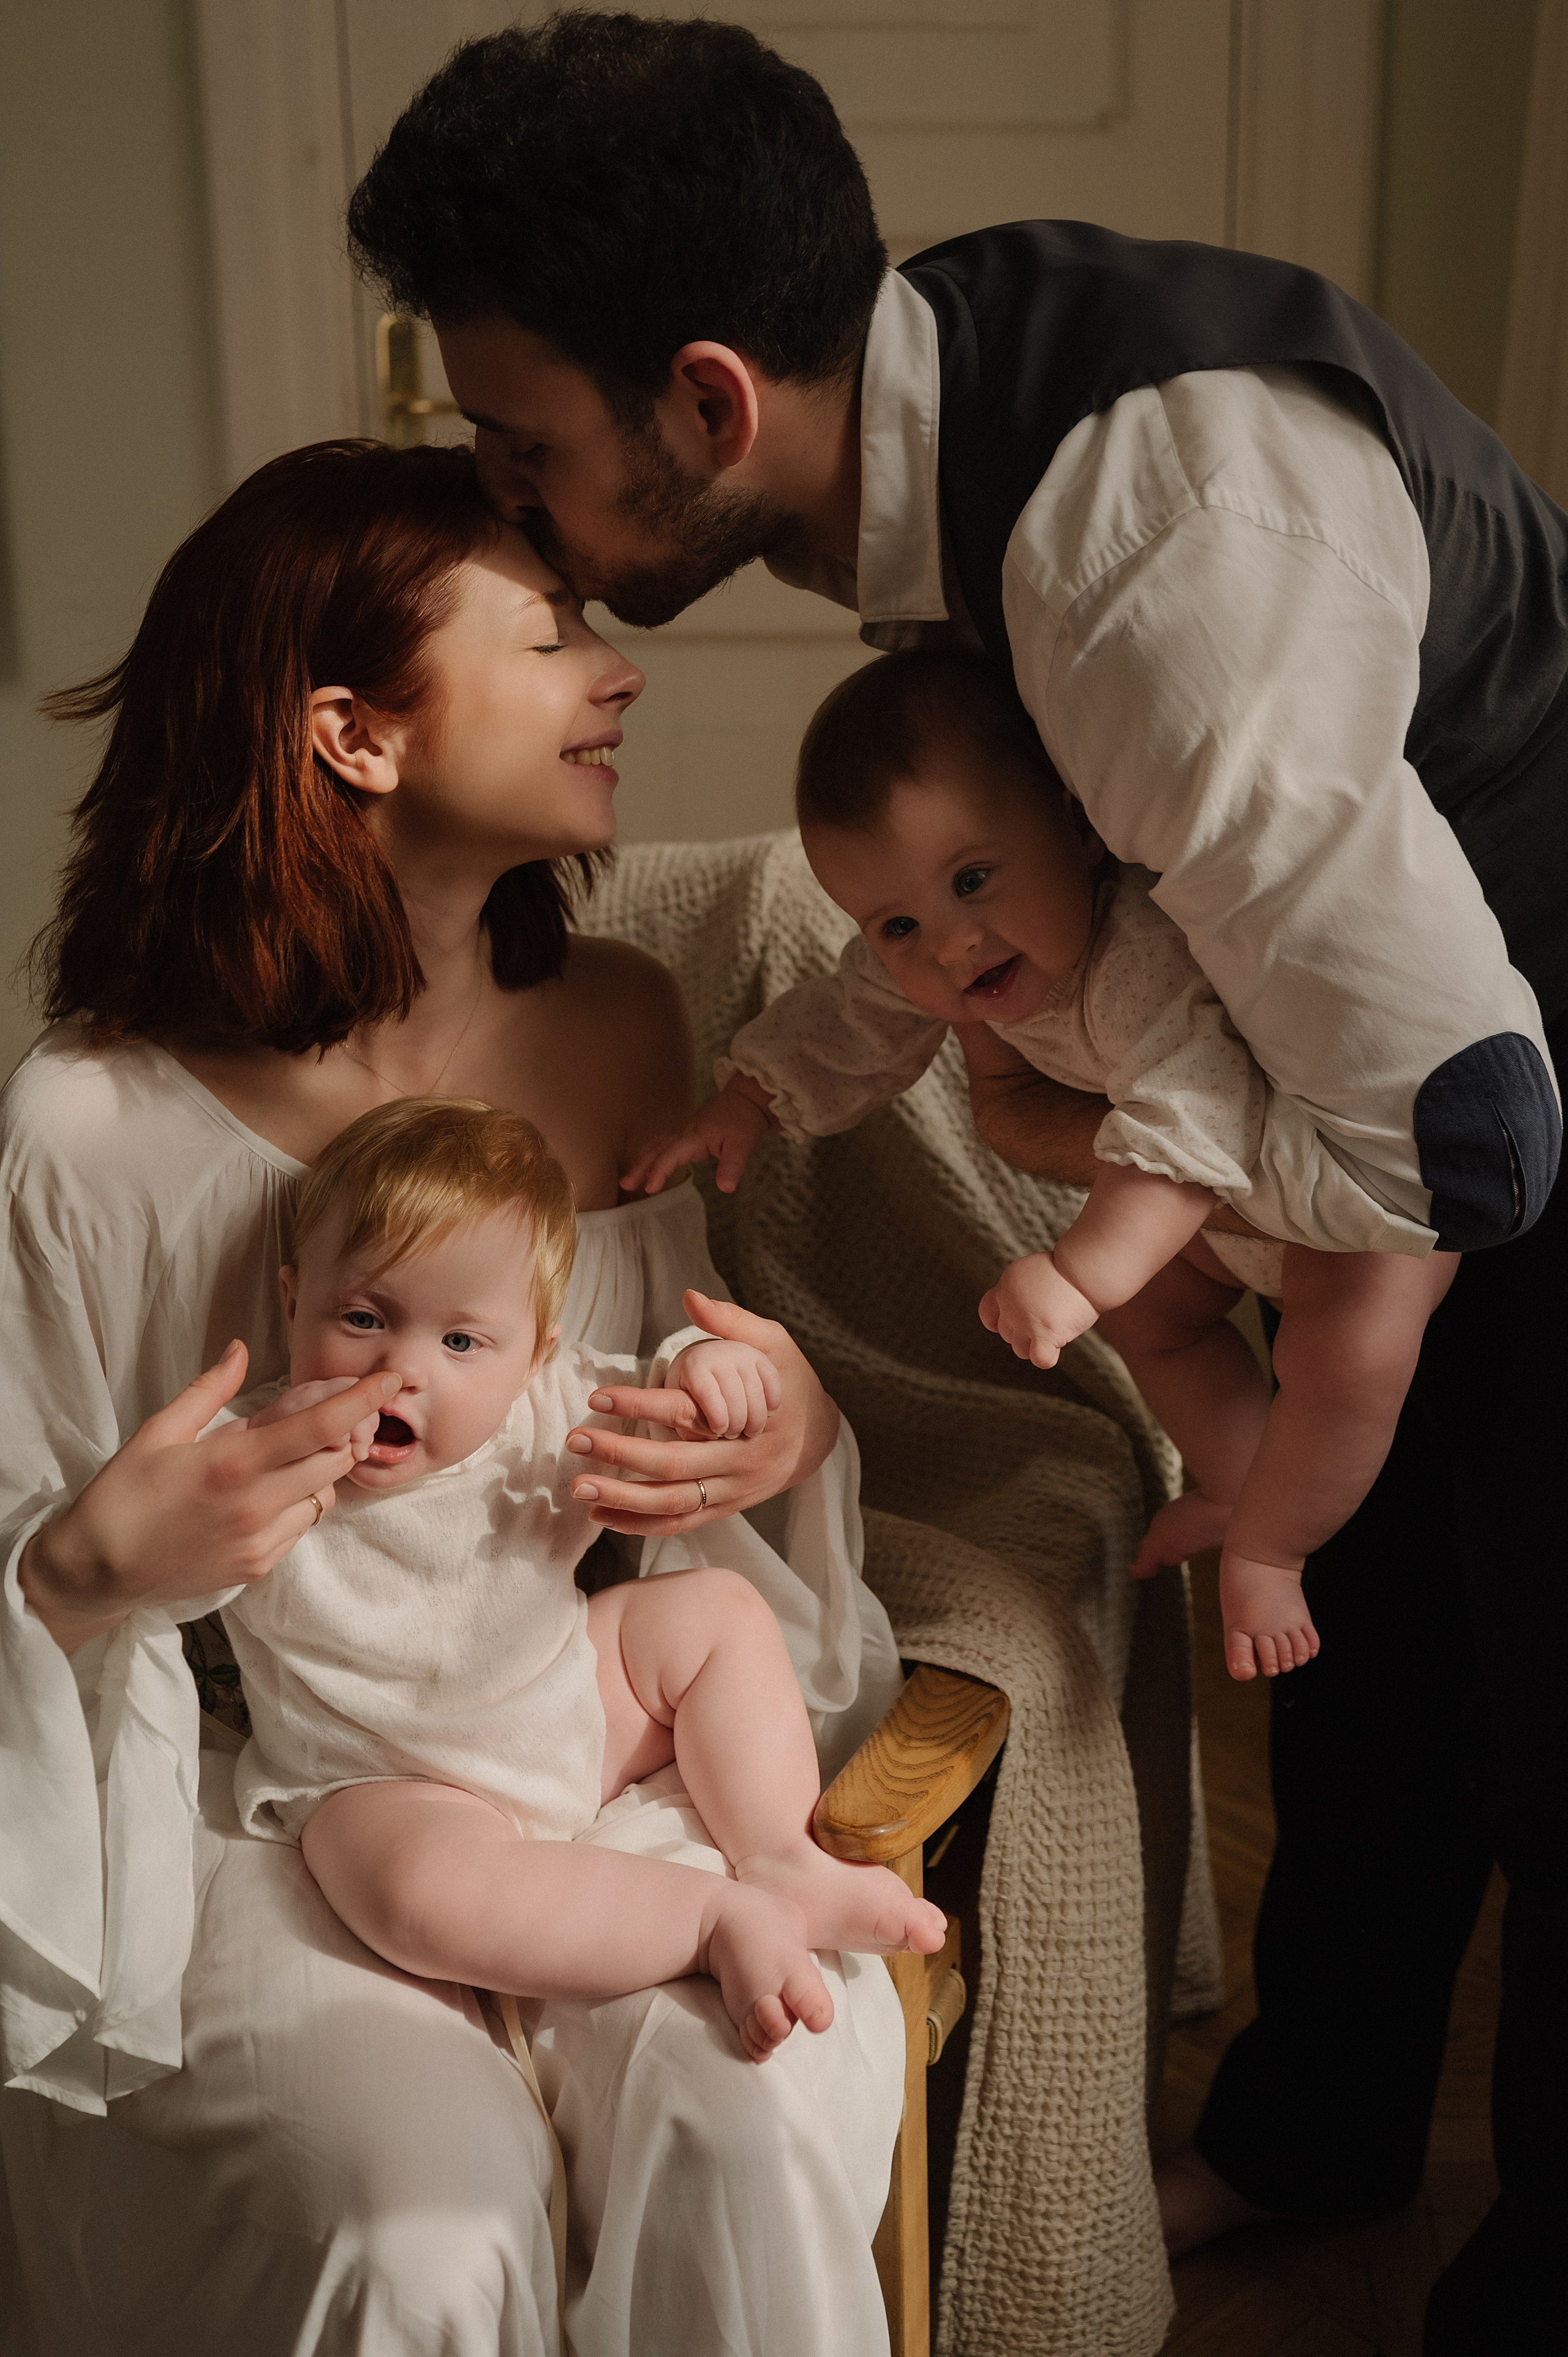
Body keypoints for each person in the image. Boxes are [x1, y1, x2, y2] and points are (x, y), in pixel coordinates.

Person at [345, 14, 1567, 2347]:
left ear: (708, 401)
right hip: (1358, 1047)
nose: (509, 512)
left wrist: (1083, 1157)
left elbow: (1457, 1133)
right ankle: (1315, 2128)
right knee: (1374, 1652)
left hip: (1503, 1052)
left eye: (524, 445)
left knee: (1542, 1674)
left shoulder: (1148, 573)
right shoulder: (947, 405)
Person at [0, 436, 905, 2357]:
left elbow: (666, 1456)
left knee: (749, 2119)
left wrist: (779, 1426)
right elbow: (41, 1560)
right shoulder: (91, 1128)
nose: (620, 669)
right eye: (553, 629)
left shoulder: (627, 1029)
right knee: (420, 2223)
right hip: (267, 1796)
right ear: (354, 735)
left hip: (591, 1749)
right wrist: (89, 1571)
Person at [630, 646, 1485, 1681]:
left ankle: (1273, 1547)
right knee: (1154, 1323)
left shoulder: (1141, 954)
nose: (950, 946)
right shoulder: (957, 960)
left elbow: (1194, 1114)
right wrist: (750, 1098)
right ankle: (1232, 1482)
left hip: (1356, 1219)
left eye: (974, 880)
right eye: (898, 923)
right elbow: (851, 1012)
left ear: (1080, 827)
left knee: (1342, 1362)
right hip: (1215, 1220)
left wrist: (1079, 1273)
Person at [209, 1094, 944, 2063]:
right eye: (361, 1317)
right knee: (412, 1898)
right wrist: (201, 1501)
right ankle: (714, 1920)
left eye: (461, 1341)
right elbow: (162, 1574)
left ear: (534, 1352)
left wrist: (707, 1367)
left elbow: (658, 1401)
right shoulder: (257, 1456)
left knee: (716, 1612)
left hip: (564, 1707)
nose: (403, 1367)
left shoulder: (547, 1414)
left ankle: (777, 1854)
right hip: (383, 1777)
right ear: (293, 1298)